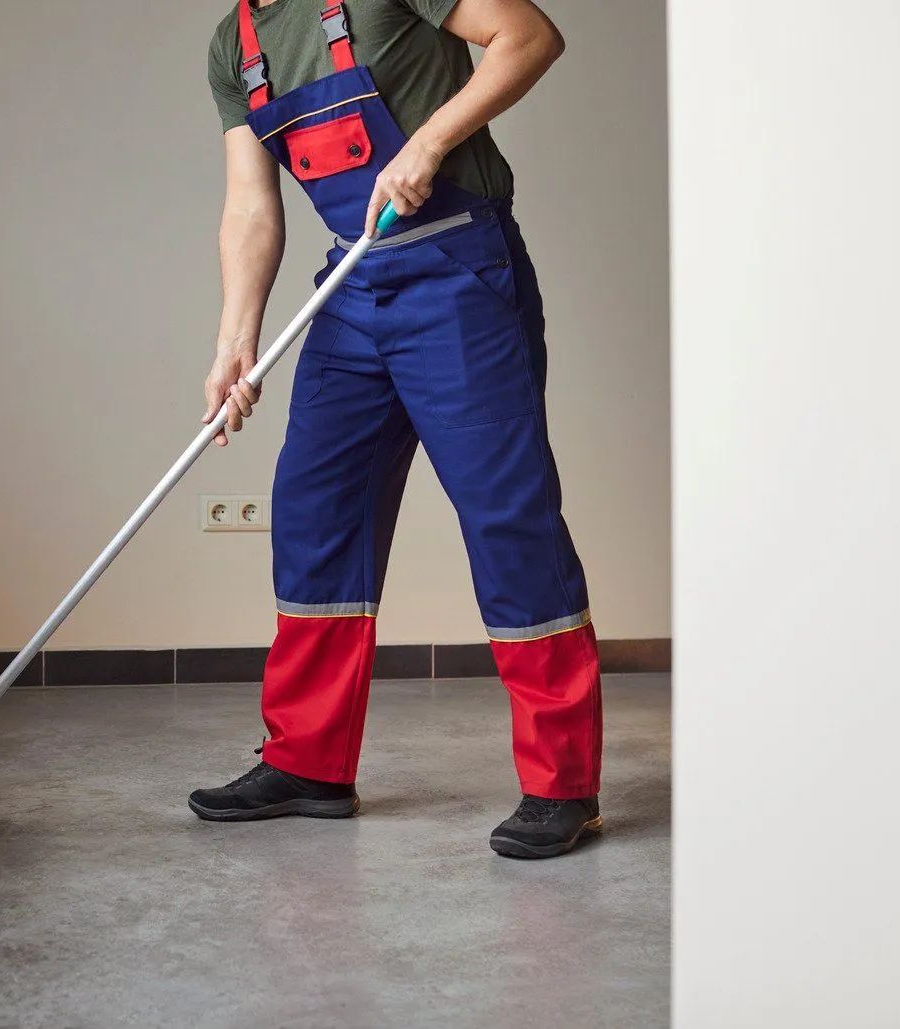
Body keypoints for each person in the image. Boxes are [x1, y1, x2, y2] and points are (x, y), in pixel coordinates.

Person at [187, 0, 603, 859]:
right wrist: (235, 342)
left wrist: (430, 140)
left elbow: (529, 36)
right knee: (315, 517)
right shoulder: (238, 45)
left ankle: (563, 783)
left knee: (505, 519)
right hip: (353, 285)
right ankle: (309, 763)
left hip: (457, 271)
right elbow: (250, 209)